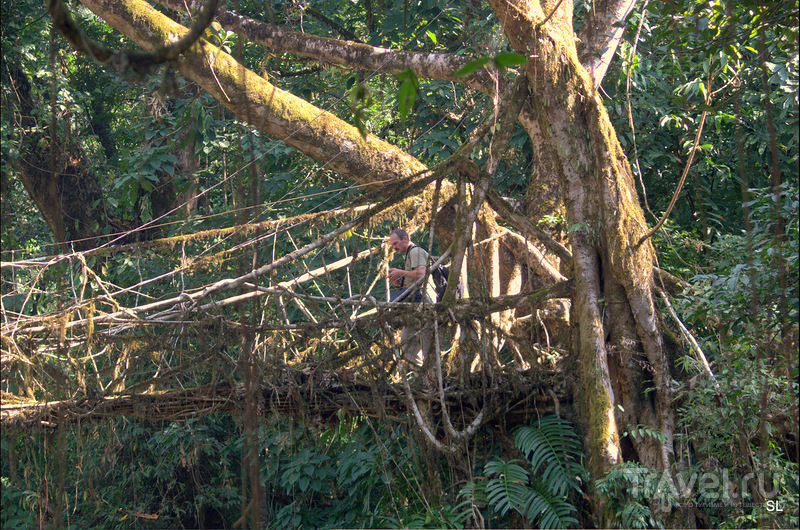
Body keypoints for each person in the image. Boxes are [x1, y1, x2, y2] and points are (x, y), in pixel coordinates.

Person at [387, 229, 437, 369]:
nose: (395, 247)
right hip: (415, 305)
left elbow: (422, 273)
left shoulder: (416, 251)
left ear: (406, 239)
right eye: (392, 245)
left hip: (425, 303)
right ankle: (422, 379)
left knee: (428, 347)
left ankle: (433, 382)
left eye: (396, 243)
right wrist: (401, 283)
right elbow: (416, 280)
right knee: (406, 341)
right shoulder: (410, 254)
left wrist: (400, 272)